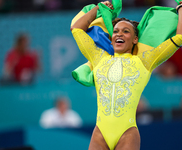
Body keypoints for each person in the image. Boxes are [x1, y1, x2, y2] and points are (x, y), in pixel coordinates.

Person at [70, 1, 182, 150]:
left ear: (135, 39)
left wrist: (180, 8)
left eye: (125, 31)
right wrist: (100, 7)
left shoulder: (145, 61)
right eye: (115, 31)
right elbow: (77, 28)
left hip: (127, 134)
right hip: (99, 134)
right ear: (111, 38)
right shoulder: (98, 58)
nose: (119, 34)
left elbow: (179, 37)